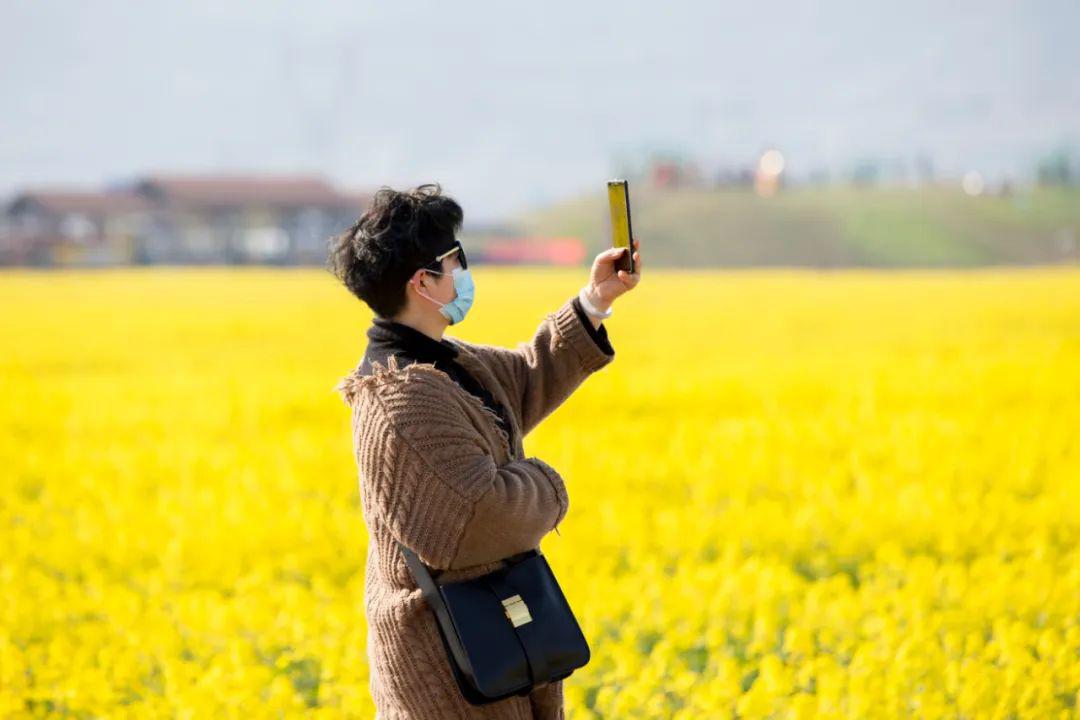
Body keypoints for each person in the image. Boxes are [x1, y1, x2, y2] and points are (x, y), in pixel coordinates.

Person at [327, 183, 641, 719]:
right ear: (423, 282)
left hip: (490, 646)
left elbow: (525, 378)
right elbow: (477, 518)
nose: (465, 273)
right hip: (449, 674)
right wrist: (547, 484)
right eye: (457, 260)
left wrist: (595, 301)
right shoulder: (399, 400)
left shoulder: (442, 361)